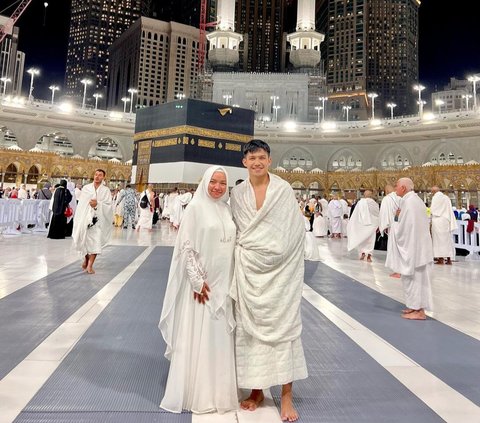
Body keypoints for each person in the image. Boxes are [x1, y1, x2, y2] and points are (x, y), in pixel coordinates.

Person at [230, 139, 307, 422]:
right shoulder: (237, 194)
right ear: (244, 162)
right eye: (252, 158)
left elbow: (293, 231)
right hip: (249, 271)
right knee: (249, 331)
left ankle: (286, 394)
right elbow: (236, 230)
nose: (257, 162)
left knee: (283, 330)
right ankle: (256, 389)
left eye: (262, 157)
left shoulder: (283, 190)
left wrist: (279, 259)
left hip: (281, 273)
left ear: (270, 160)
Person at [159, 166, 237, 414]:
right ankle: (199, 393)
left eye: (222, 183)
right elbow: (186, 246)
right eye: (213, 181)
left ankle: (218, 390)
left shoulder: (226, 209)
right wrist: (196, 280)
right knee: (201, 335)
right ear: (205, 182)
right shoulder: (195, 208)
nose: (217, 187)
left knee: (218, 337)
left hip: (224, 282)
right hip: (203, 285)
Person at [389, 178, 433, 320]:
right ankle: (414, 306)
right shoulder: (414, 200)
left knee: (415, 280)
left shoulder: (409, 202)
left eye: (397, 186)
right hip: (417, 247)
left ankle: (419, 311)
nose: (395, 188)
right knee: (412, 279)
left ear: (403, 188)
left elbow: (405, 228)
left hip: (414, 248)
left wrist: (394, 223)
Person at [72, 169, 113, 274]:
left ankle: (90, 265)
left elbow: (108, 205)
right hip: (85, 218)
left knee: (96, 242)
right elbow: (81, 205)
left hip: (98, 220)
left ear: (103, 177)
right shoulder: (86, 188)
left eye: (100, 175)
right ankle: (86, 259)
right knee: (83, 240)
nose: (97, 177)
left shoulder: (106, 191)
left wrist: (98, 204)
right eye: (95, 174)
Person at [347, 190, 380, 262]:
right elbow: (377, 214)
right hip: (371, 225)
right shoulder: (374, 203)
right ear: (371, 195)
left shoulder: (360, 203)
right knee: (370, 241)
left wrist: (354, 223)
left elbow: (355, 214)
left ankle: (362, 253)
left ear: (364, 195)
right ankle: (369, 256)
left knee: (362, 240)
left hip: (362, 225)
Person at [430, 186, 457, 265]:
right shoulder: (446, 197)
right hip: (445, 220)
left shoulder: (435, 197)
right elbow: (449, 210)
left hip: (438, 221)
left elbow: (433, 209)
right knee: (447, 240)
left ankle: (441, 259)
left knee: (438, 241)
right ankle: (449, 260)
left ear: (434, 191)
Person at [379, 185, 401, 278]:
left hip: (394, 226)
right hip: (403, 226)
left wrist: (383, 226)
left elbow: (383, 214)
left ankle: (398, 271)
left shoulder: (387, 199)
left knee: (394, 248)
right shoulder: (401, 197)